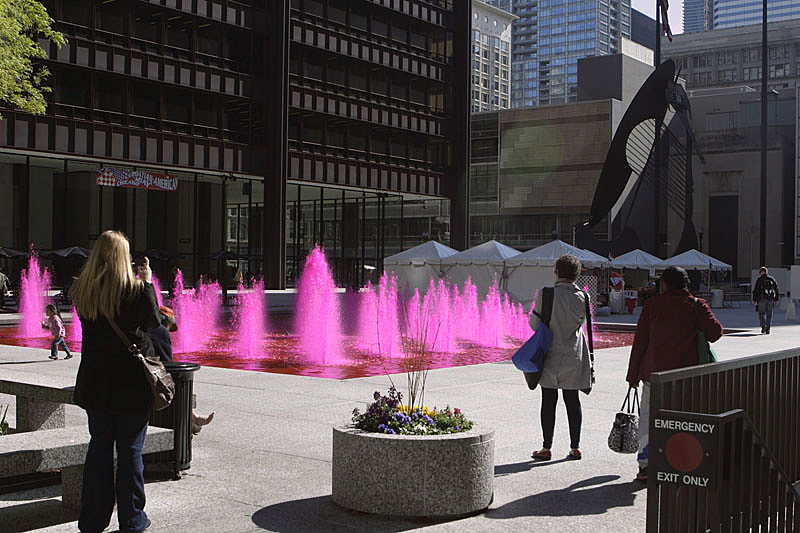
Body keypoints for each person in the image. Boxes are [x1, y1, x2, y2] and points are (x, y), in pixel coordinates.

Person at [71, 231, 161, 533]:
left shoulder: (83, 291)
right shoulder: (134, 292)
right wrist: (147, 282)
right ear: (125, 258)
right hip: (131, 387)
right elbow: (154, 323)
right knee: (130, 452)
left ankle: (93, 520)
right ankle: (132, 520)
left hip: (95, 385)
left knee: (98, 450)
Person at [625, 266, 723, 482]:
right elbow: (715, 332)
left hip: (654, 375)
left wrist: (632, 376)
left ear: (665, 284)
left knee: (649, 419)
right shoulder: (696, 305)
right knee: (683, 419)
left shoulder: (651, 305)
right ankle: (682, 462)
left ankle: (646, 465)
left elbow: (640, 343)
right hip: (686, 376)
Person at [529, 254, 593, 462]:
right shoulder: (583, 297)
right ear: (577, 275)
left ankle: (546, 448)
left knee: (549, 400)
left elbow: (534, 324)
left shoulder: (546, 294)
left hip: (549, 354)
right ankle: (575, 447)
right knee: (572, 401)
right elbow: (581, 324)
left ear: (556, 271)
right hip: (573, 354)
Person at [147, 306, 215, 434]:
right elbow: (168, 362)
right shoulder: (161, 331)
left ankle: (193, 419)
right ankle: (192, 419)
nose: (169, 331)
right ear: (166, 322)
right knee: (176, 381)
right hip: (151, 377)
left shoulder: (145, 327)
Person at [752, 267, 779, 334]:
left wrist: (755, 299)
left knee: (761, 313)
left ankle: (763, 326)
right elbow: (776, 289)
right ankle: (768, 329)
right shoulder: (771, 279)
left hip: (762, 299)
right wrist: (776, 299)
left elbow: (756, 290)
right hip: (770, 299)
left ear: (761, 272)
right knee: (769, 314)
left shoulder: (759, 279)